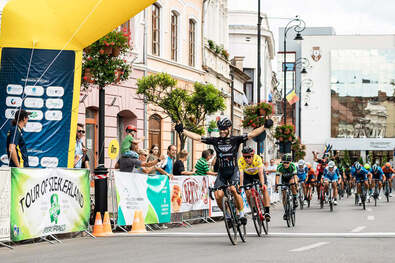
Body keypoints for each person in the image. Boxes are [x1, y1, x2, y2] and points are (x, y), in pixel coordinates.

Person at [176, 116, 272, 225]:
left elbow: (251, 134)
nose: (222, 131)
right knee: (218, 195)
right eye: (220, 129)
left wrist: (264, 127)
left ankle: (241, 214)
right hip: (222, 172)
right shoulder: (216, 141)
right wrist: (183, 131)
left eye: (224, 129)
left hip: (233, 171)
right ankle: (228, 216)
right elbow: (198, 138)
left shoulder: (235, 139)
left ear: (229, 129)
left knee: (233, 189)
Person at [238, 146, 271, 221]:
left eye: (249, 157)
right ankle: (254, 210)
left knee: (264, 189)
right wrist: (241, 185)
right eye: (245, 157)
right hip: (247, 176)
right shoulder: (240, 161)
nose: (246, 159)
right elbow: (241, 174)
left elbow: (261, 173)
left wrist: (262, 184)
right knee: (248, 192)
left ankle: (267, 211)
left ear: (252, 156)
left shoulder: (257, 158)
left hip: (258, 174)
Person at [275, 154, 299, 219]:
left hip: (292, 178)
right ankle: (286, 211)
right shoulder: (279, 167)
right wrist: (276, 186)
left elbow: (295, 177)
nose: (285, 164)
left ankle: (295, 198)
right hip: (284, 179)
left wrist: (296, 185)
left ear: (290, 162)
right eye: (284, 162)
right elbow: (277, 177)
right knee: (284, 195)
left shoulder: (293, 166)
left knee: (293, 184)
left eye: (287, 163)